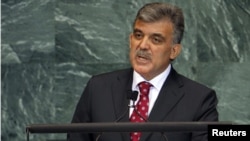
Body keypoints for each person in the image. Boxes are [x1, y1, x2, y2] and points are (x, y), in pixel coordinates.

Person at [67, 2, 218, 141]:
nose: (143, 45)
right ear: (130, 40)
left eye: (156, 39)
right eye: (139, 36)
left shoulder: (199, 100)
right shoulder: (98, 88)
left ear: (174, 51)